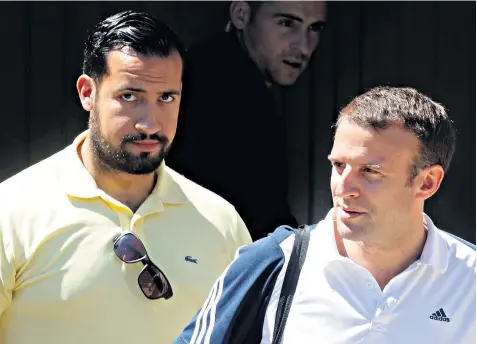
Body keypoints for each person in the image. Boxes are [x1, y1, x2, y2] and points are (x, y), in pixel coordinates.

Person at [0, 10, 252, 344]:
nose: (149, 123)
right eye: (129, 97)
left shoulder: (222, 223)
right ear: (87, 93)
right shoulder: (12, 210)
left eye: (166, 98)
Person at [175, 87, 476, 344]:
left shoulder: (470, 278)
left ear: (427, 182)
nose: (343, 187)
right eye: (339, 166)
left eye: (370, 171)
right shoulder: (272, 264)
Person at [166, 1, 328, 241]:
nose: (303, 46)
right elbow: (263, 218)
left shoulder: (210, 66)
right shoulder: (223, 86)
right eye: (286, 23)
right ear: (241, 14)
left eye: (314, 28)